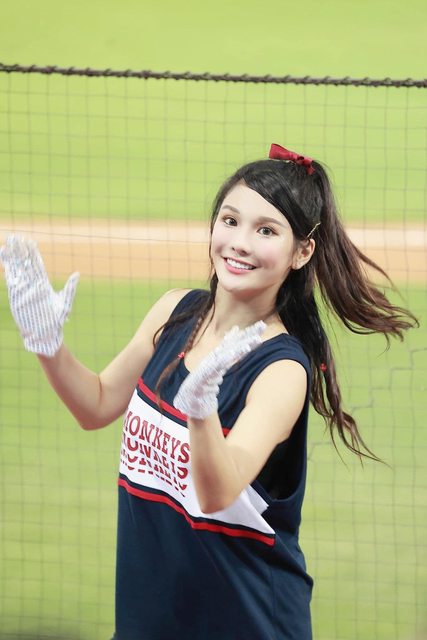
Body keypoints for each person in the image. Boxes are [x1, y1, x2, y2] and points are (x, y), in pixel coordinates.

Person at [0, 143, 417, 640]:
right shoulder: (174, 312)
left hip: (247, 624)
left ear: (302, 252)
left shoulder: (282, 370)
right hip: (147, 624)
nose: (239, 243)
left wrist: (201, 409)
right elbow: (96, 404)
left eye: (266, 231)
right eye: (230, 220)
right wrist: (47, 343)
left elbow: (218, 493)